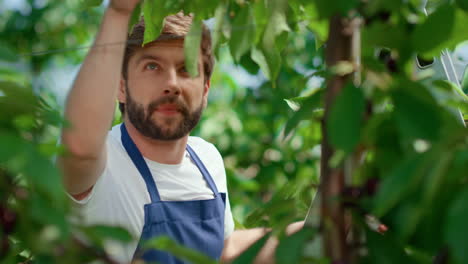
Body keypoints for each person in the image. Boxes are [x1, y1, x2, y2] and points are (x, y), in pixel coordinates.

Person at [58, 1, 302, 263]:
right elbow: (79, 150)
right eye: (152, 66)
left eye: (187, 69)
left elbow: (224, 251)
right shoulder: (104, 162)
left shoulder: (206, 159)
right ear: (120, 87)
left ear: (206, 89)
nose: (172, 84)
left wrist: (314, 230)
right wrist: (118, 13)